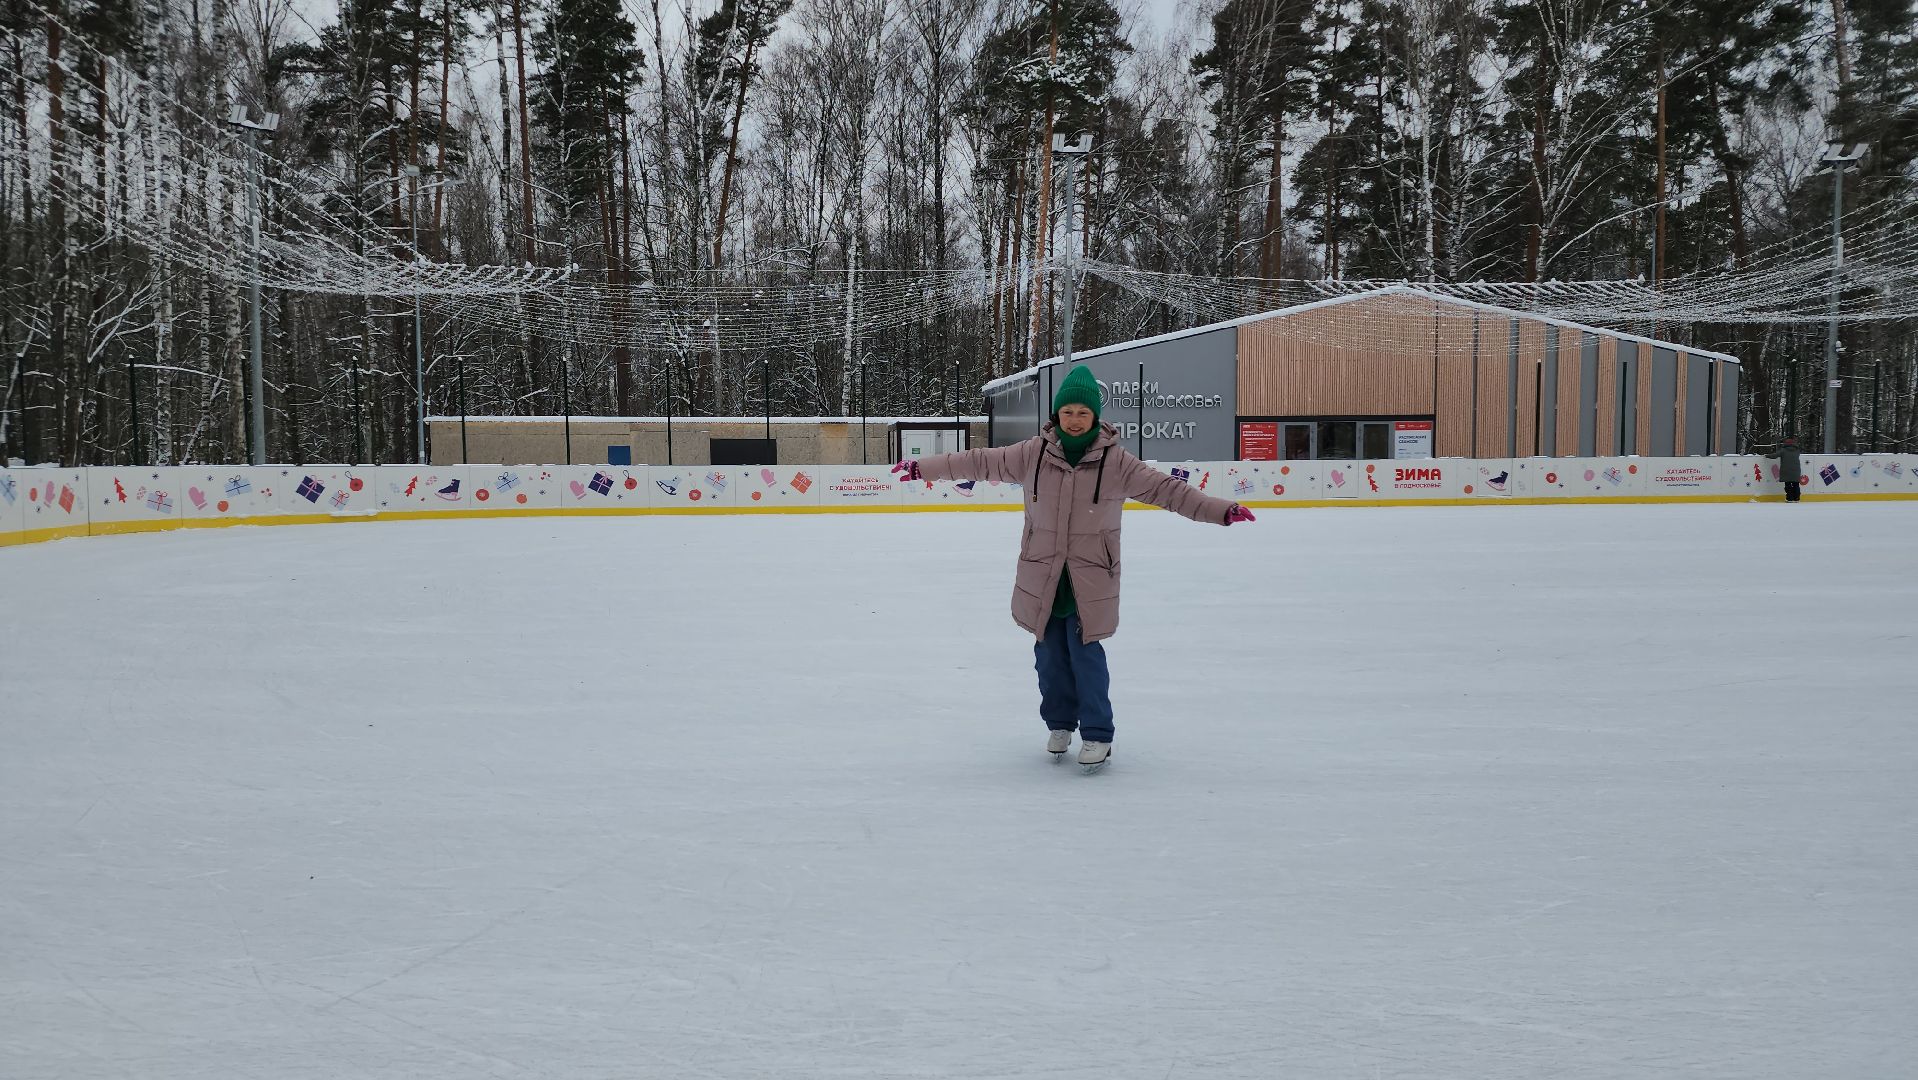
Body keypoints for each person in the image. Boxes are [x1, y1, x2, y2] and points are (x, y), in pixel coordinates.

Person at [891, 364, 1255, 768]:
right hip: (1043, 574)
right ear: (1056, 415)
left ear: (1095, 416)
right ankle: (1060, 724)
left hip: (1089, 577)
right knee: (1048, 657)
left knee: (1086, 657)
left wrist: (1222, 510)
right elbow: (980, 461)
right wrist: (923, 468)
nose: (1075, 420)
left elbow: (1169, 491)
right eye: (1068, 412)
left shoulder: (1118, 463)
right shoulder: (1033, 454)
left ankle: (1098, 734)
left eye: (1083, 412)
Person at [1776, 437, 1803, 503]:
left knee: (1788, 485)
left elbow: (1775, 455)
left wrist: (1766, 455)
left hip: (1786, 471)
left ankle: (1790, 498)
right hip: (1796, 471)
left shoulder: (1783, 450)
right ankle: (1796, 498)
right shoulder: (1797, 451)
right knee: (1796, 485)